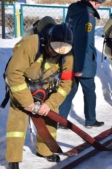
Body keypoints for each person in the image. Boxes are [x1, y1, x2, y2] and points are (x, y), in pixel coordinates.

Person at [5, 23, 74, 168]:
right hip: (23, 87)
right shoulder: (32, 44)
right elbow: (13, 73)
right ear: (47, 41)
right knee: (17, 124)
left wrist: (50, 104)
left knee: (50, 122)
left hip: (46, 91)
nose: (55, 54)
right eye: (53, 49)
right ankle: (13, 159)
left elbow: (66, 84)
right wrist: (26, 102)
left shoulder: (67, 54)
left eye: (60, 52)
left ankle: (45, 151)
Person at [58, 0, 105, 129]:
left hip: (69, 58)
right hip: (83, 61)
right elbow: (82, 42)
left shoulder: (73, 9)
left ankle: (61, 120)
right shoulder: (88, 15)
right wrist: (80, 67)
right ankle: (90, 120)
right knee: (89, 91)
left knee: (70, 90)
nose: (100, 5)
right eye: (99, 2)